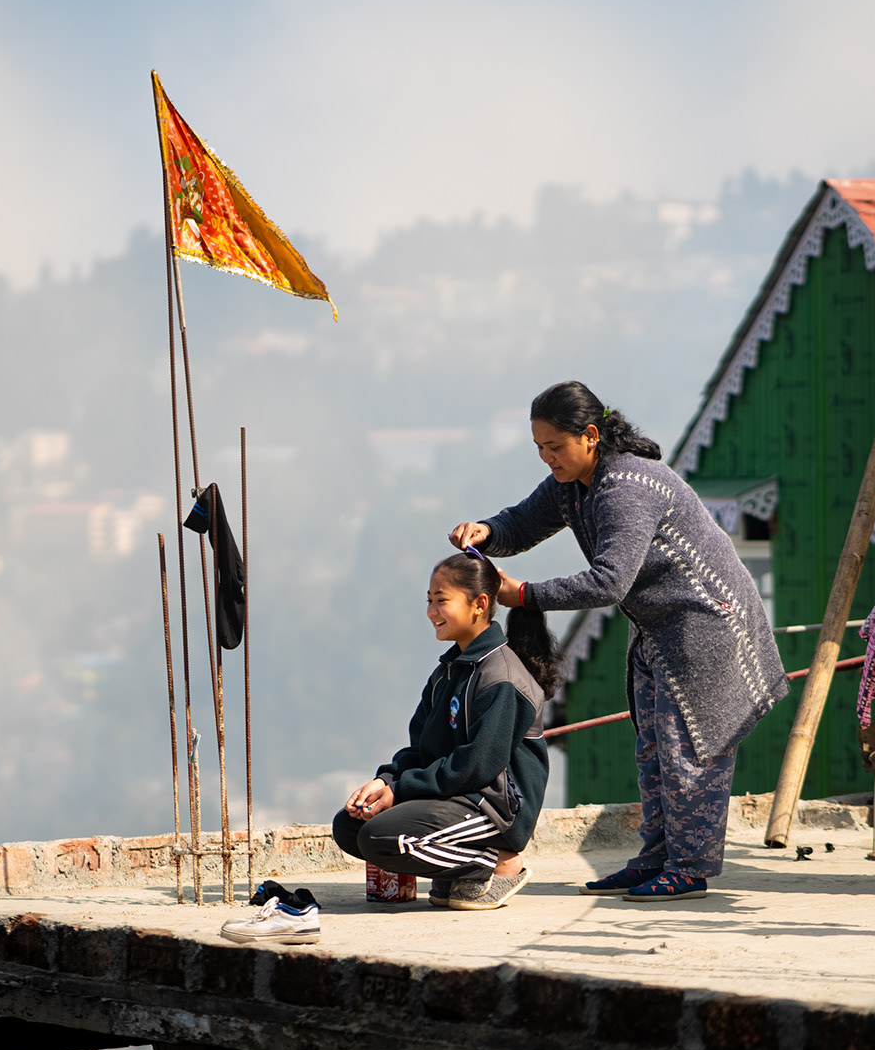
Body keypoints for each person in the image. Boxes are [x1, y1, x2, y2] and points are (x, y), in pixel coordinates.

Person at [449, 381, 788, 901]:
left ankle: (690, 868)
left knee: (689, 752)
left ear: (589, 436)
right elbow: (522, 522)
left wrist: (526, 595)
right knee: (653, 750)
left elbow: (610, 582)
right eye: (538, 448)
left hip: (707, 627)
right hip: (659, 627)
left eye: (554, 447)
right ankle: (657, 858)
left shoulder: (627, 485)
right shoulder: (572, 482)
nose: (547, 459)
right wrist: (487, 533)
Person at [333, 550, 559, 911]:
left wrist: (401, 790)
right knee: (350, 825)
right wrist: (387, 781)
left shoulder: (501, 677)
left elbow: (477, 766)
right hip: (456, 795)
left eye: (441, 601)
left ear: (479, 604)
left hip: (495, 808)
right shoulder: (448, 673)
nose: (431, 612)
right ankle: (461, 867)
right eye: (429, 601)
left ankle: (496, 864)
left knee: (380, 837)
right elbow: (421, 749)